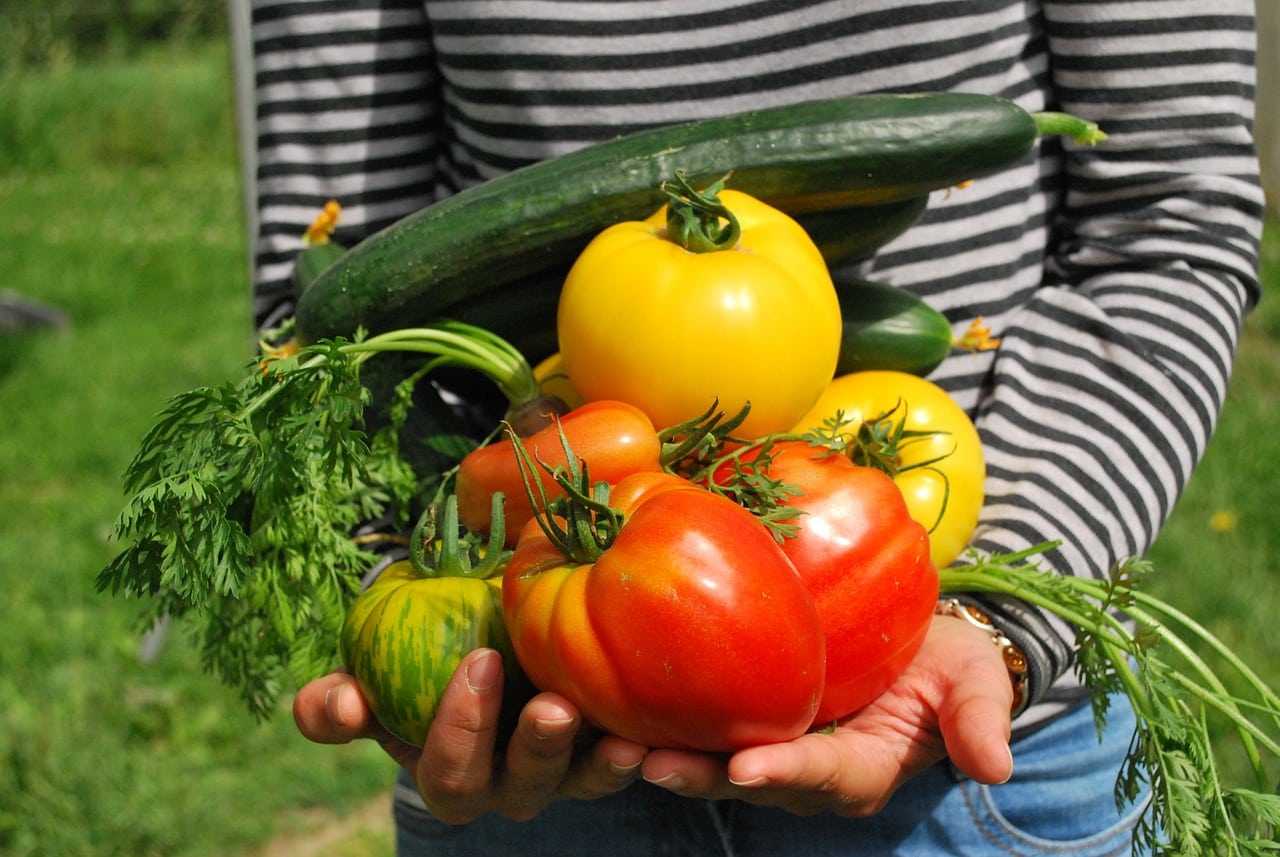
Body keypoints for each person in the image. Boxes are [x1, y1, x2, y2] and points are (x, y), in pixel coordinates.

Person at [248, 2, 1264, 854]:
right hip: (526, 709)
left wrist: (996, 622)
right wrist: (406, 597)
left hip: (975, 747)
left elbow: (1167, 224)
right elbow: (327, 306)